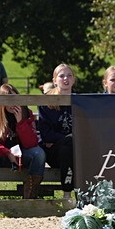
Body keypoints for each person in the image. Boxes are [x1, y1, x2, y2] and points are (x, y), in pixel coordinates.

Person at [0, 83, 46, 200]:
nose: (13, 103)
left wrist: (20, 122)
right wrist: (7, 152)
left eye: (15, 98)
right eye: (8, 100)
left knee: (39, 153)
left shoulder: (26, 113)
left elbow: (31, 143)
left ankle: (30, 196)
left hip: (18, 155)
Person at [38, 63, 76, 191]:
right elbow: (46, 135)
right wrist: (69, 138)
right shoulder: (46, 102)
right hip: (55, 152)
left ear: (74, 79)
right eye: (61, 76)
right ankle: (67, 192)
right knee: (68, 145)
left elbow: (86, 130)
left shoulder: (81, 101)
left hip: (78, 149)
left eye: (69, 76)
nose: (66, 79)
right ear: (54, 81)